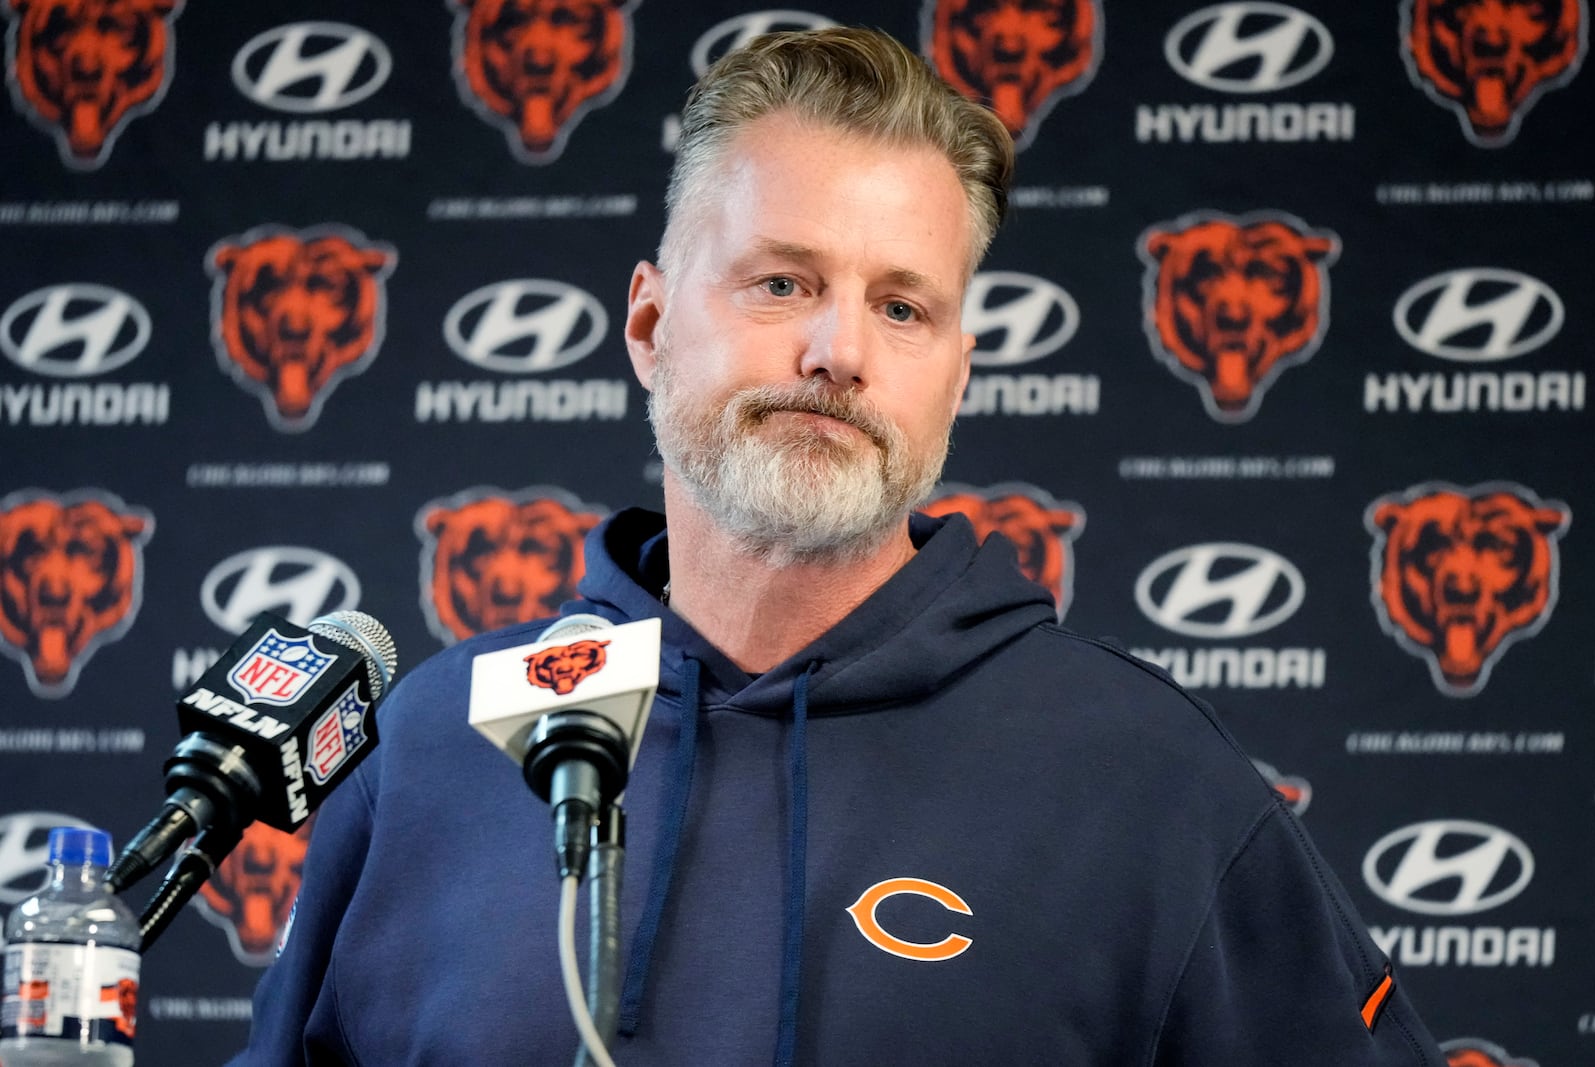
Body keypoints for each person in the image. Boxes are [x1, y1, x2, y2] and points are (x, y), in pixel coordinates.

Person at [230, 27, 1445, 1066]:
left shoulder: (1147, 778)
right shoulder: (438, 746)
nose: (840, 352)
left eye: (902, 306)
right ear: (651, 323)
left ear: (953, 376)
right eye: (781, 283)